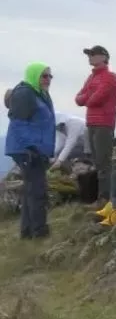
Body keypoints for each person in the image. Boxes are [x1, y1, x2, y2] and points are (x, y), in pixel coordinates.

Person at [4, 62, 56, 239]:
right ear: (34, 75)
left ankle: (27, 232)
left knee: (31, 190)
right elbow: (18, 123)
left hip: (35, 149)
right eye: (44, 75)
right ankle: (39, 232)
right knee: (37, 190)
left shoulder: (40, 94)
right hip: (27, 150)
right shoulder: (25, 93)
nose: (48, 79)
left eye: (50, 76)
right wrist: (31, 147)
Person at [74, 45, 116, 207]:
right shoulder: (91, 78)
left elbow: (96, 99)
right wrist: (89, 96)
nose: (90, 57)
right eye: (89, 54)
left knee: (103, 163)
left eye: (93, 54)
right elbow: (78, 99)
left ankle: (105, 198)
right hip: (91, 123)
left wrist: (88, 96)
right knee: (97, 162)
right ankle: (101, 196)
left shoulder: (110, 77)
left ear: (104, 57)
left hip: (104, 124)